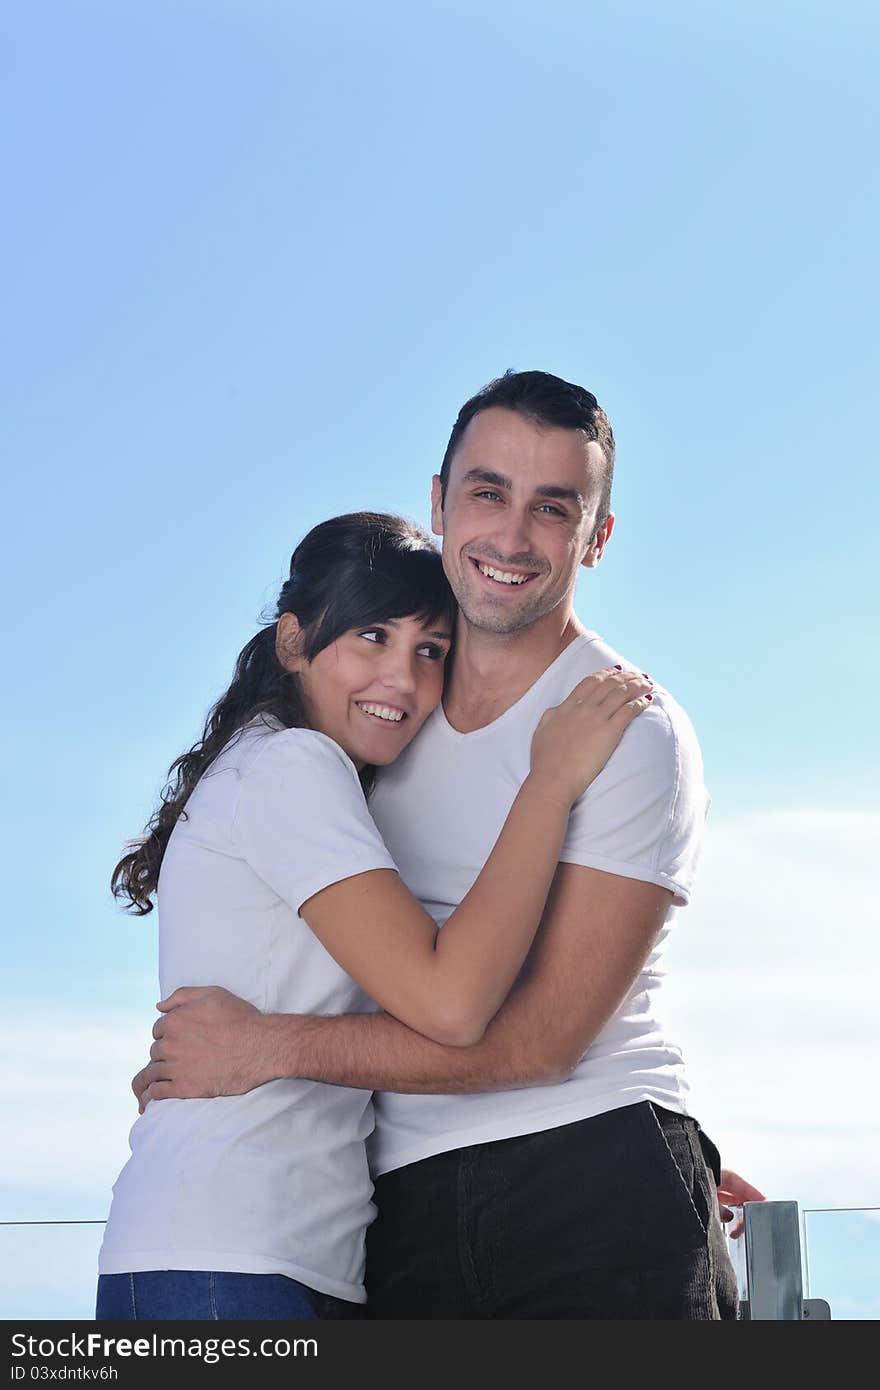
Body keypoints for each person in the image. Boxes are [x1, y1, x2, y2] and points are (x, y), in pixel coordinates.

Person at [135, 372, 764, 1319]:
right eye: (487, 493)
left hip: (591, 1168)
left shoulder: (627, 728)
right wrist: (211, 1055)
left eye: (553, 508)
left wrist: (267, 1047)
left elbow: (545, 1044)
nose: (512, 538)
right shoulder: (383, 717)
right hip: (394, 1212)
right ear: (438, 503)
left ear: (595, 538)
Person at [98, 509, 653, 1321]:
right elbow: (452, 1005)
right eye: (371, 637)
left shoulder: (290, 770)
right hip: (228, 1260)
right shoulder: (290, 765)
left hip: (274, 1256)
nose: (402, 677)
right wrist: (550, 783)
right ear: (293, 642)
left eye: (429, 650)